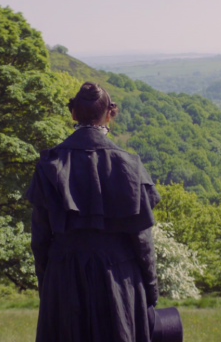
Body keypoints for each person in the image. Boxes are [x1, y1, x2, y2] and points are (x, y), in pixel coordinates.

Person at [26, 82, 161, 342]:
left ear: (73, 114)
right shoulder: (130, 166)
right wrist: (150, 291)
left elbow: (39, 239)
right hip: (119, 283)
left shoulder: (48, 164)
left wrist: (48, 285)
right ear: (110, 114)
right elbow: (143, 242)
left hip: (62, 279)